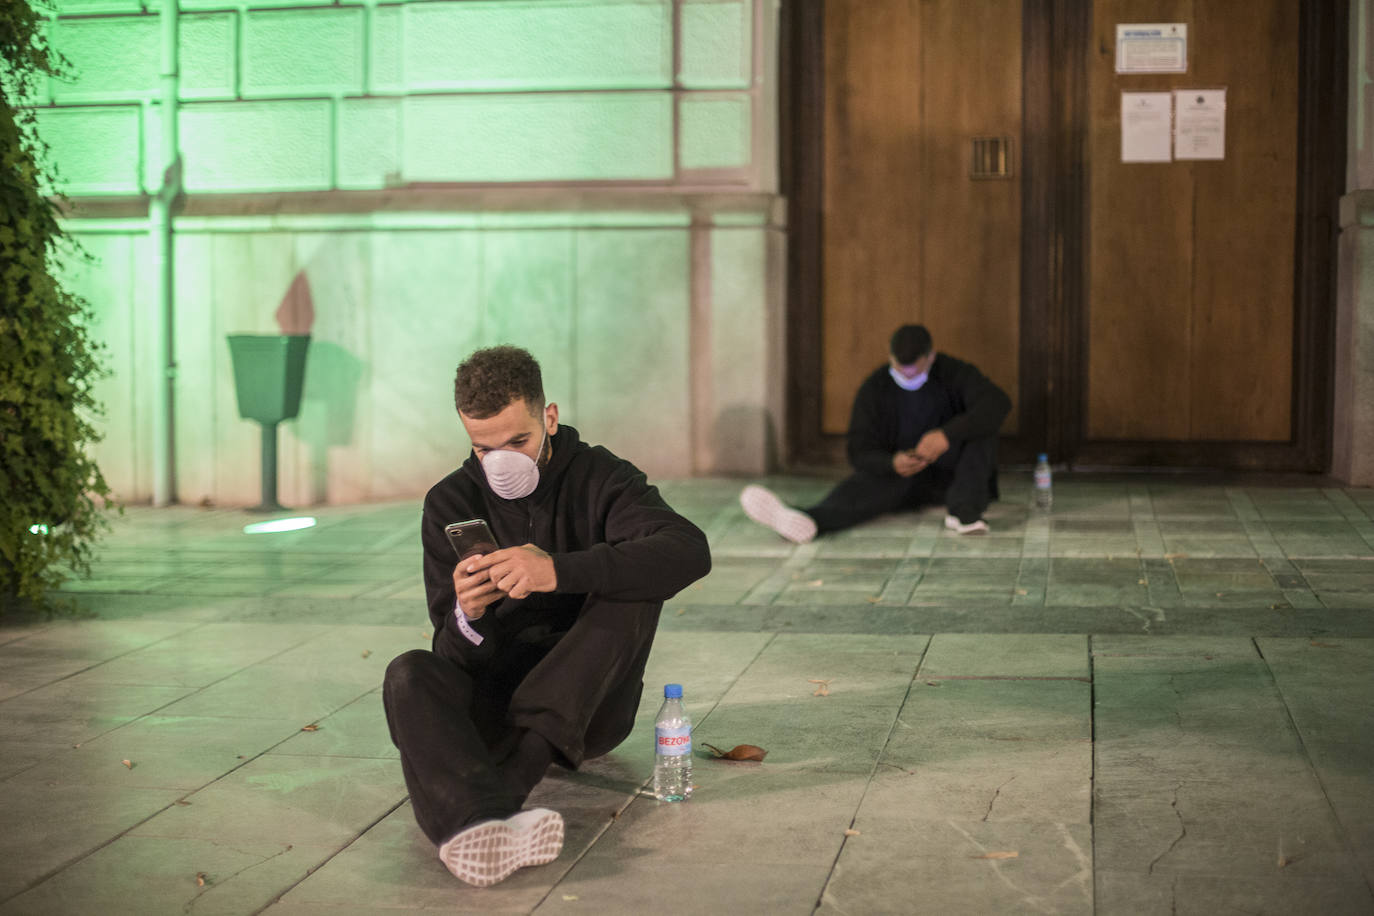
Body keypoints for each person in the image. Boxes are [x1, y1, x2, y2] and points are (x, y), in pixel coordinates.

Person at [383, 345, 711, 887]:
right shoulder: (450, 501)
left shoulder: (602, 478)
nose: (501, 462)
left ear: (549, 418)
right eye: (483, 448)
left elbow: (689, 550)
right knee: (408, 671)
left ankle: (507, 790)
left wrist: (559, 571)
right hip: (494, 708)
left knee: (634, 583)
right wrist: (467, 615)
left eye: (518, 442)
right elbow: (450, 655)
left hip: (589, 713)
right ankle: (479, 828)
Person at [742, 324, 1010, 542]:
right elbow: (859, 450)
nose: (907, 376)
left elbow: (998, 403)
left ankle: (966, 513)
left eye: (914, 371)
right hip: (902, 479)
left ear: (931, 356)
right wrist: (891, 462)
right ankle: (809, 520)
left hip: (954, 478)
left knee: (980, 429)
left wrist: (947, 435)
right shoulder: (875, 387)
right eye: (900, 370)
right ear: (890, 357)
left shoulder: (954, 372)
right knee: (866, 484)